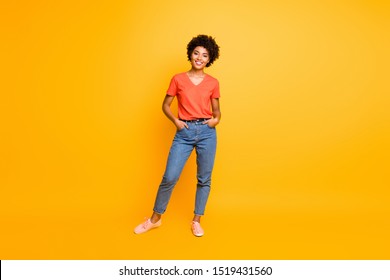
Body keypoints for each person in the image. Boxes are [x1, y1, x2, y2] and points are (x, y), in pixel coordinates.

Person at [134, 34, 221, 237]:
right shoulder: (178, 79)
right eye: (196, 53)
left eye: (204, 55)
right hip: (185, 132)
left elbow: (217, 111)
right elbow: (165, 105)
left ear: (210, 59)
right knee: (170, 177)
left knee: (204, 179)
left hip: (207, 133)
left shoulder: (213, 82)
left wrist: (215, 120)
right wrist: (176, 121)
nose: (199, 57)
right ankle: (155, 219)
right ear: (190, 54)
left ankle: (197, 220)